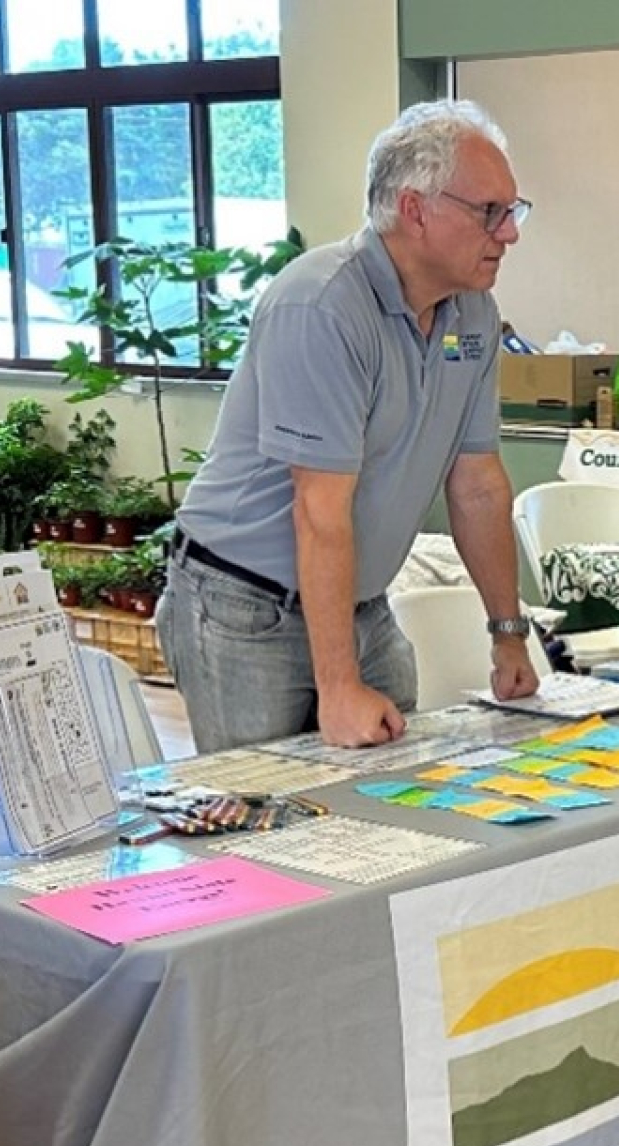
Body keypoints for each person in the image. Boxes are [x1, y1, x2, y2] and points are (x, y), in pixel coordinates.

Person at [157, 99, 539, 754]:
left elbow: (477, 485)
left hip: (361, 603)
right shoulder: (321, 305)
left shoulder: (473, 314)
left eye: (513, 210)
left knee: (398, 814)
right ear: (415, 208)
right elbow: (319, 509)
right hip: (246, 606)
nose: (509, 233)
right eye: (490, 213)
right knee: (272, 825)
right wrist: (337, 686)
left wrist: (508, 632)